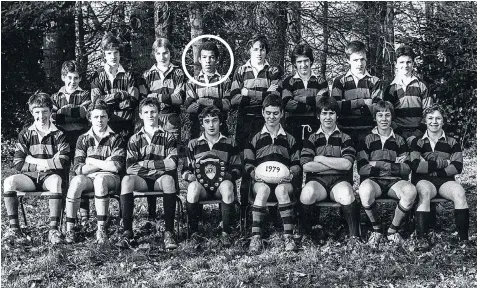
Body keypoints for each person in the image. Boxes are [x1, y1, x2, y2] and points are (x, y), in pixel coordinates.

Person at [3, 92, 69, 245]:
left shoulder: (59, 134)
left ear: (50, 111)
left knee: (56, 182)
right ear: (32, 112)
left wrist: (31, 158)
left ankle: (53, 230)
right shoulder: (25, 134)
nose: (41, 115)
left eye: (45, 111)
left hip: (50, 177)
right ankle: (15, 230)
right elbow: (18, 163)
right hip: (31, 177)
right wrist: (44, 163)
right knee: (9, 182)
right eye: (37, 112)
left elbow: (63, 161)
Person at [116, 97, 178, 250]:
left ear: (158, 113)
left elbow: (172, 163)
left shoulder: (168, 136)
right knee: (126, 180)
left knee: (169, 180)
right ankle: (128, 233)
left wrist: (146, 164)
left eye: (153, 112)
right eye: (146, 112)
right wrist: (157, 167)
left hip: (160, 179)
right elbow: (130, 167)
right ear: (141, 115)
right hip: (142, 180)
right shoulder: (135, 138)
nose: (150, 115)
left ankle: (169, 232)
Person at [230, 34, 283, 211]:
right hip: (245, 122)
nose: (259, 52)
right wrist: (261, 95)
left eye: (262, 48)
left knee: (267, 160)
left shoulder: (273, 71)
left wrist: (248, 93)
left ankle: (269, 207)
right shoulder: (240, 70)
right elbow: (234, 99)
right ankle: (244, 208)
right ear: (249, 50)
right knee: (247, 165)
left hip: (266, 121)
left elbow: (274, 98)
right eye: (255, 48)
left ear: (266, 51)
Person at [299, 96, 360, 244]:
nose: (328, 117)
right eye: (324, 113)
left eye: (331, 113)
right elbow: (306, 166)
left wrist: (320, 159)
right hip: (317, 182)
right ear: (318, 116)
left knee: (346, 194)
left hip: (340, 181)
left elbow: (347, 164)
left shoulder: (345, 137)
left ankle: (354, 237)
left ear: (337, 116)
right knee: (307, 194)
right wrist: (335, 164)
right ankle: (307, 234)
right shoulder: (311, 138)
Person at [244, 95, 300, 253]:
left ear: (282, 114)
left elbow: (297, 162)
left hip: (283, 182)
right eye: (268, 113)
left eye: (275, 113)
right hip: (261, 181)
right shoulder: (254, 138)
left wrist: (292, 173)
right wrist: (253, 173)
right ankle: (256, 237)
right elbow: (247, 162)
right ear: (262, 113)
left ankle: (288, 236)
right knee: (262, 190)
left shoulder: (290, 139)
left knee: (281, 190)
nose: (271, 117)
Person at [64, 100, 125, 244]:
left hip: (110, 179)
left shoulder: (116, 138)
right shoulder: (82, 139)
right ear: (90, 118)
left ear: (108, 118)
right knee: (76, 181)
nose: (99, 120)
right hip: (88, 178)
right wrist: (104, 163)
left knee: (100, 180)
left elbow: (116, 167)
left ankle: (101, 229)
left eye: (103, 116)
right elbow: (78, 169)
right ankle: (70, 229)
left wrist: (90, 161)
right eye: (96, 117)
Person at [357, 100, 417, 248]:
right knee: (364, 191)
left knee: (410, 191)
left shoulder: (400, 140)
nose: (384, 119)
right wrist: (392, 165)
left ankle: (392, 231)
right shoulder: (366, 139)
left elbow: (406, 169)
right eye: (380, 115)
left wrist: (376, 163)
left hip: (394, 182)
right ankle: (376, 230)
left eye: (387, 115)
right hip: (373, 182)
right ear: (375, 117)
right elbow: (362, 169)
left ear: (392, 117)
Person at [411, 104, 469, 250]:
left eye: (438, 118)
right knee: (424, 192)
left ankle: (464, 240)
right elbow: (416, 166)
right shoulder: (417, 141)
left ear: (443, 120)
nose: (434, 122)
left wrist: (430, 168)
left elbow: (457, 166)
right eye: (430, 118)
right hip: (423, 181)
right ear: (425, 120)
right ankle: (422, 239)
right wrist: (444, 163)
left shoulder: (452, 141)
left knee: (460, 193)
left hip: (445, 182)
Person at [139, 38, 185, 220]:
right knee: (151, 158)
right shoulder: (147, 75)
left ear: (170, 54)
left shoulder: (179, 73)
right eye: (158, 53)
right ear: (154, 54)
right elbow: (144, 100)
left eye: (165, 52)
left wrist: (156, 96)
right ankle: (151, 211)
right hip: (152, 120)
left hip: (172, 120)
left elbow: (180, 97)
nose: (162, 56)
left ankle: (171, 209)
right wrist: (167, 96)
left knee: (170, 162)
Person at [182, 106, 242, 247]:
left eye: (214, 120)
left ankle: (226, 232)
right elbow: (184, 170)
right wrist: (190, 177)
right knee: (192, 187)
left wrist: (227, 175)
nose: (211, 125)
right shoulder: (193, 144)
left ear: (220, 122)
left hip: (219, 188)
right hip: (202, 188)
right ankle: (194, 232)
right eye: (207, 121)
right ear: (202, 124)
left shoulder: (229, 143)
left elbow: (238, 169)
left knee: (228, 186)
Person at [51, 60, 92, 225]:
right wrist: (73, 112)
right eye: (69, 77)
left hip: (80, 137)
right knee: (62, 174)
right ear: (63, 77)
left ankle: (83, 213)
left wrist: (65, 112)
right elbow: (54, 117)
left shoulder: (84, 95)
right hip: (61, 138)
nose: (72, 81)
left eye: (76, 78)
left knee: (80, 173)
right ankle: (63, 212)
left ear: (80, 79)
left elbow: (84, 113)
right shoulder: (55, 96)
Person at [331, 40, 385, 147]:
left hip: (368, 131)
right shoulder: (339, 81)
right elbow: (336, 106)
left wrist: (347, 105)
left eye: (362, 59)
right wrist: (363, 102)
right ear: (348, 60)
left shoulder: (375, 81)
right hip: (344, 130)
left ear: (366, 59)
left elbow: (376, 108)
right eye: (355, 60)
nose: (360, 64)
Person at [91, 33, 139, 140]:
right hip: (106, 126)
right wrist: (120, 95)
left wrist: (109, 102)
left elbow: (132, 101)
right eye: (109, 53)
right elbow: (97, 101)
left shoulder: (129, 74)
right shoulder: (98, 75)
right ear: (104, 55)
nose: (113, 57)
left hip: (126, 126)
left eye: (116, 52)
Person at [280, 44, 329, 149]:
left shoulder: (321, 81)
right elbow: (286, 103)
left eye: (306, 60)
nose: (303, 65)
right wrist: (312, 103)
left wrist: (297, 99)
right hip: (293, 128)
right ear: (294, 63)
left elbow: (322, 104)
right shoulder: (289, 81)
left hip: (315, 127)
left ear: (311, 60)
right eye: (299, 62)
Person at [384, 45, 432, 146]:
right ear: (395, 64)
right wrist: (400, 135)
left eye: (408, 62)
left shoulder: (422, 85)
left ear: (413, 63)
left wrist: (417, 134)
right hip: (398, 136)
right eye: (401, 62)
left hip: (420, 135)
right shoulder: (391, 88)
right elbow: (388, 116)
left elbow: (429, 113)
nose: (405, 65)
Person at [185, 41, 231, 139]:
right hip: (198, 129)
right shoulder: (192, 81)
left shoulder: (224, 80)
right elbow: (190, 108)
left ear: (217, 60)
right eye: (204, 57)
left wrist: (202, 101)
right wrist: (218, 103)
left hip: (220, 128)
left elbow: (227, 105)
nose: (208, 61)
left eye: (211, 57)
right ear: (199, 59)